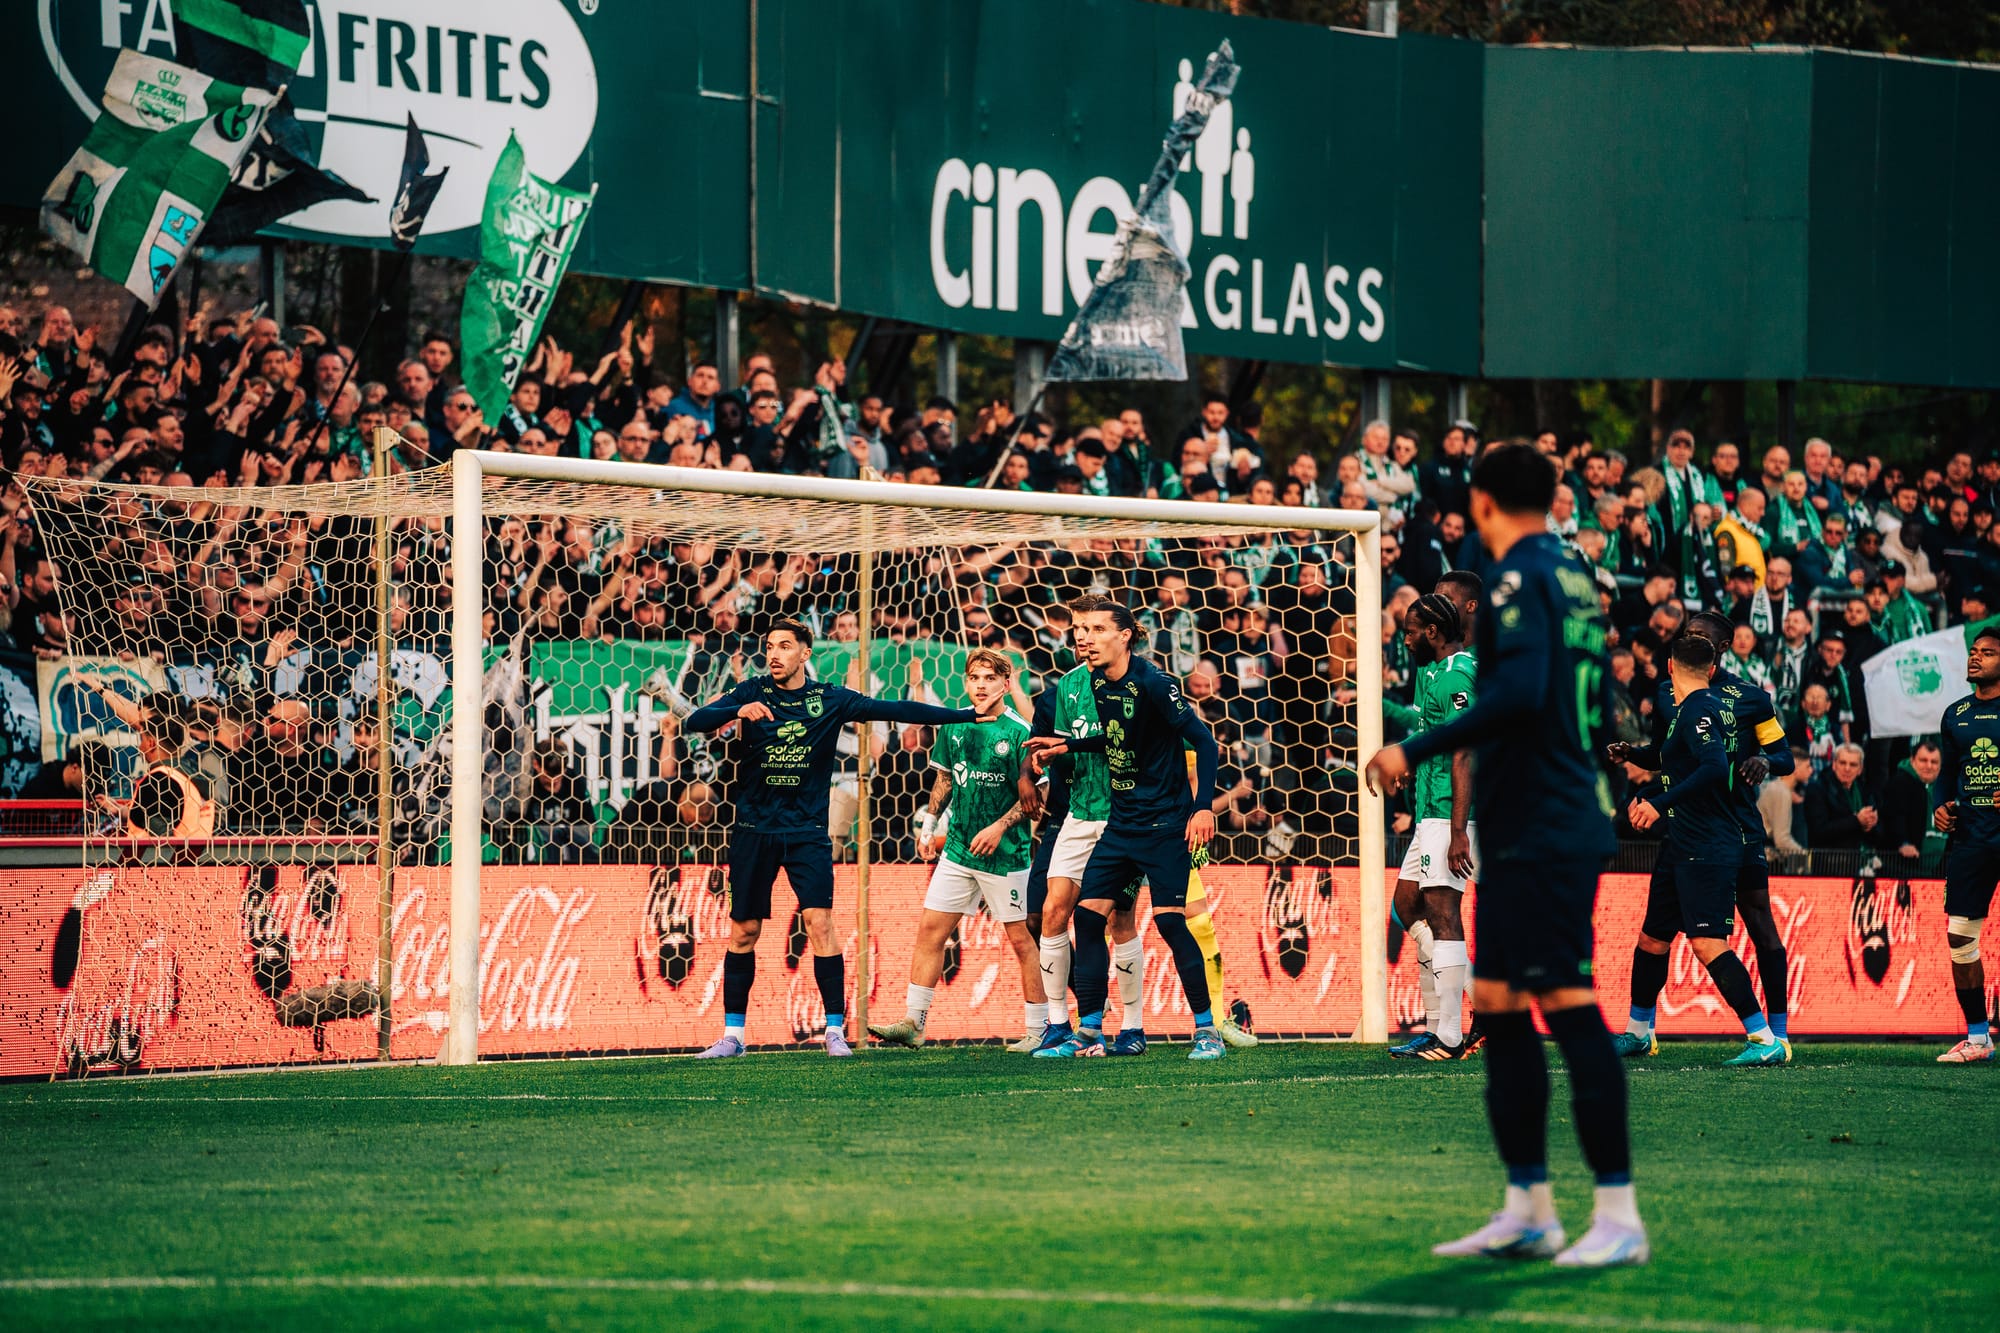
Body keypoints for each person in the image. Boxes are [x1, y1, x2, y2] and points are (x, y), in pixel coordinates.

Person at [1364, 443, 1641, 1268]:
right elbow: (1584, 694)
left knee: (1565, 1002)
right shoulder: (1575, 574)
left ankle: (1617, 1214)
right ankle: (1528, 1208)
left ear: (1483, 502)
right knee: (1501, 1004)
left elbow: (1516, 695)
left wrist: (1412, 748)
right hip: (1542, 814)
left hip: (1547, 820)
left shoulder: (1519, 574)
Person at [684, 618, 980, 1058]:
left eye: (785, 646)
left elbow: (896, 709)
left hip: (806, 832)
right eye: (770, 646)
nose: (774, 654)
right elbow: (695, 720)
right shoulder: (751, 692)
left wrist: (965, 715)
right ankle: (733, 1037)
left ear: (806, 653)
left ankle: (835, 1031)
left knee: (820, 923)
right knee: (744, 931)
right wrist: (737, 711)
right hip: (753, 831)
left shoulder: (828, 698)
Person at [1024, 602, 1225, 1061]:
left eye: (1097, 629)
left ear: (1126, 636)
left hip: (1165, 825)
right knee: (1087, 917)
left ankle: (1207, 1029)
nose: (1084, 637)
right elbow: (1121, 736)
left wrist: (1202, 809)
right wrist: (1068, 745)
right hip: (1122, 823)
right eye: (1081, 629)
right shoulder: (1098, 681)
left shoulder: (1155, 683)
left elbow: (1205, 742)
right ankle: (1089, 1030)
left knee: (1170, 922)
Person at [1609, 610, 1794, 1059]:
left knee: (1748, 928)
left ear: (1720, 651)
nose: (1692, 639)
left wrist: (1765, 761)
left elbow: (1779, 757)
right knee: (1653, 937)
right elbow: (1670, 757)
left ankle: (1773, 1035)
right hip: (1685, 829)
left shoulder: (1749, 699)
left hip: (1729, 829)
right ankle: (1639, 1031)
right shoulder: (1671, 695)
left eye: (1700, 637)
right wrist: (1637, 761)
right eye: (1688, 634)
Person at [870, 651, 1045, 1051]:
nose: (981, 685)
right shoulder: (953, 724)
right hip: (958, 851)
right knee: (931, 930)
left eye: (989, 678)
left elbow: (1039, 796)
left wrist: (999, 828)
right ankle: (914, 1023)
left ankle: (1038, 1029)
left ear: (1006, 684)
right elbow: (946, 779)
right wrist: (930, 825)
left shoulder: (1020, 732)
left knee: (1021, 941)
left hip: (1006, 855)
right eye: (974, 678)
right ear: (965, 683)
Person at [1381, 592, 1479, 1060]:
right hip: (1429, 811)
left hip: (1448, 813)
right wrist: (1407, 759)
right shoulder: (1434, 672)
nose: (1406, 640)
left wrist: (1459, 830)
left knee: (1443, 915)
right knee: (1406, 905)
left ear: (1433, 633)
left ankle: (1450, 1035)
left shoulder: (1457, 676)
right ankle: (1450, 1019)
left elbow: (1465, 750)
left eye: (1411, 632)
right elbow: (1432, 733)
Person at [1930, 625, 2000, 1063]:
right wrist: (1939, 807)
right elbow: (1946, 774)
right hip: (1971, 838)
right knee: (1960, 936)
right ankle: (1978, 1038)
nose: (1976, 657)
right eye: (1974, 651)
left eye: (1987, 653)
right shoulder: (1955, 714)